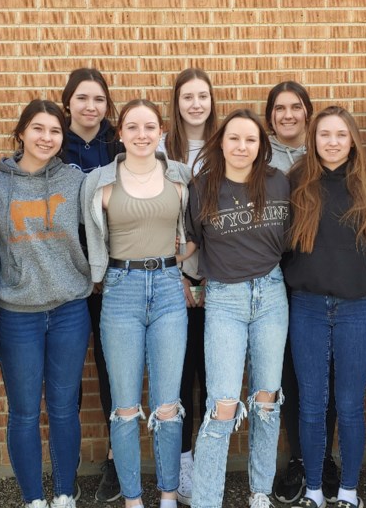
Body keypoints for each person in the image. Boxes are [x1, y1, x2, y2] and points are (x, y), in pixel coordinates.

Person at [81, 99, 193, 508]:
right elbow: (93, 241)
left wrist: (183, 265)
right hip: (120, 289)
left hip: (167, 288)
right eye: (133, 127)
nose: (141, 135)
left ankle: (166, 495)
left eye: (149, 127)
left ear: (160, 130)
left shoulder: (179, 175)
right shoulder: (99, 182)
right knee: (125, 406)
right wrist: (98, 276)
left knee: (167, 405)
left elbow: (195, 228)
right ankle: (132, 499)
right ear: (121, 133)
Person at [0, 100, 93, 508]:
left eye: (54, 131)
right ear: (21, 133)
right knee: (25, 412)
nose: (46, 138)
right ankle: (33, 498)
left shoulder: (74, 181)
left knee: (64, 409)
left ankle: (65, 493)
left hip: (69, 310)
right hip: (17, 315)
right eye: (38, 129)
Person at [186, 109, 292, 508]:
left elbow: (290, 241)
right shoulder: (202, 187)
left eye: (250, 140)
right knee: (223, 402)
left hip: (271, 293)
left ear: (261, 145)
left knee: (266, 397)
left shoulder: (278, 182)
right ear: (221, 142)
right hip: (225, 299)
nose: (242, 146)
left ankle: (260, 490)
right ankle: (207, 499)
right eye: (234, 138)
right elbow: (190, 244)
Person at [282, 107, 366, 508]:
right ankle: (312, 489)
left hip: (358, 310)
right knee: (311, 402)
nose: (332, 142)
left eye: (341, 134)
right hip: (307, 306)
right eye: (324, 134)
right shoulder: (296, 183)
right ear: (313, 138)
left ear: (353, 139)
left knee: (350, 404)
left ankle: (348, 492)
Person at [265, 81, 340, 504]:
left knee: (324, 376)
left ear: (308, 114)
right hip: (276, 282)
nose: (288, 115)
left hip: (317, 279)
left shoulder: (324, 154)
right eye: (280, 108)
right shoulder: (261, 155)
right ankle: (297, 458)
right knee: (291, 378)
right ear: (270, 115)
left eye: (296, 107)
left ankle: (324, 459)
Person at [61, 67, 124, 502]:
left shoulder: (119, 145)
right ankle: (66, 468)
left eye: (98, 99)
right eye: (82, 98)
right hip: (64, 275)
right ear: (68, 102)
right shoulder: (48, 142)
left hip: (112, 276)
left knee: (111, 371)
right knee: (67, 376)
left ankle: (117, 463)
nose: (90, 107)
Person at [157, 68, 218, 505]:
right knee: (178, 379)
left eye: (203, 96)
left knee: (213, 378)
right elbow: (155, 217)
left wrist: (212, 275)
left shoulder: (224, 147)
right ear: (176, 103)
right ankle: (180, 468)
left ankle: (207, 465)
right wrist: (175, 275)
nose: (196, 104)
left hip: (218, 281)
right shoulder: (160, 150)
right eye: (187, 97)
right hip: (172, 281)